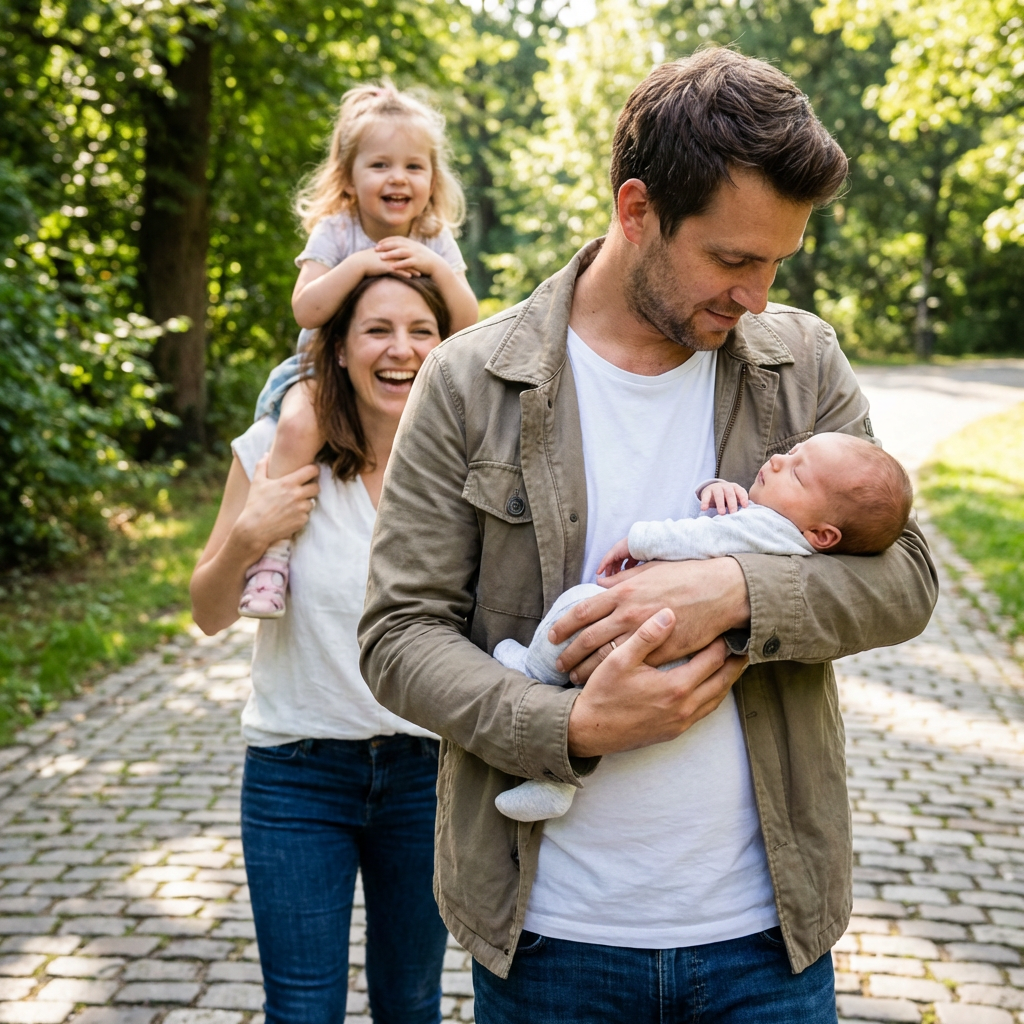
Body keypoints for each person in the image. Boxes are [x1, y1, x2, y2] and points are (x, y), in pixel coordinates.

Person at [359, 48, 939, 1023]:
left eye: (774, 263)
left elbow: (907, 578)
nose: (755, 293)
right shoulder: (465, 381)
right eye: (731, 258)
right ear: (636, 211)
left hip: (768, 945)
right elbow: (396, 637)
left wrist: (735, 594)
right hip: (547, 943)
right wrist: (569, 727)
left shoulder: (802, 364)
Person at [190, 274, 452, 1024]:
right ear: (336, 350)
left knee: (411, 1004)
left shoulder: (462, 470)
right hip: (295, 777)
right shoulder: (277, 452)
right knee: (303, 1010)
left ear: (443, 347)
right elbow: (208, 614)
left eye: (420, 330)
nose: (399, 349)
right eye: (376, 330)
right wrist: (250, 532)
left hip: (427, 775)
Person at [493, 432, 914, 821]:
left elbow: (697, 539)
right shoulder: (787, 536)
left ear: (823, 534)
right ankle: (556, 780)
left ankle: (535, 674)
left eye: (797, 473)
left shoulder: (770, 528)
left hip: (668, 642)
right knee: (597, 696)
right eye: (790, 452)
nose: (779, 460)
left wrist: (639, 540)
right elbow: (728, 527)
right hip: (681, 656)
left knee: (578, 608)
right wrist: (721, 491)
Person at [238, 82, 478, 620]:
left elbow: (467, 323)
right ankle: (272, 558)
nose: (398, 178)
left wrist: (436, 266)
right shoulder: (338, 231)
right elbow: (307, 309)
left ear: (432, 181)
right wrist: (361, 265)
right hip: (322, 370)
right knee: (298, 428)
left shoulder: (435, 239)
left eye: (414, 167)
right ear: (349, 178)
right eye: (380, 165)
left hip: (398, 382)